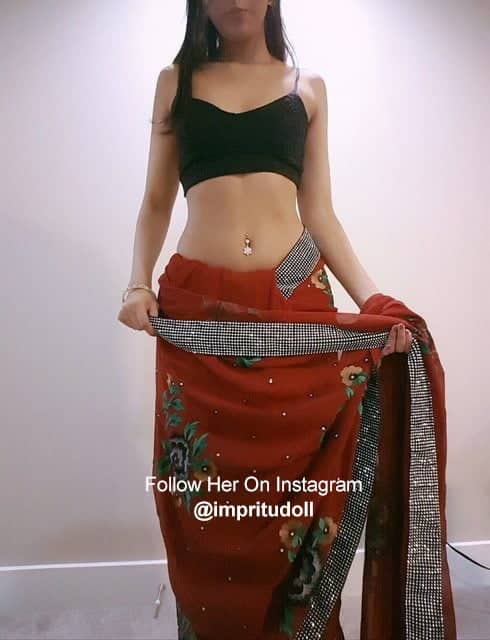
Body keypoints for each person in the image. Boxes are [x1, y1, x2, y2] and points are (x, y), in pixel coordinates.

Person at [117, 1, 456, 639]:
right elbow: (157, 199)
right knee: (205, 507)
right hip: (201, 316)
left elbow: (319, 212)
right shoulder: (176, 82)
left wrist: (375, 303)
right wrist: (137, 282)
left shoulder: (309, 88)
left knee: (300, 503)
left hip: (293, 298)